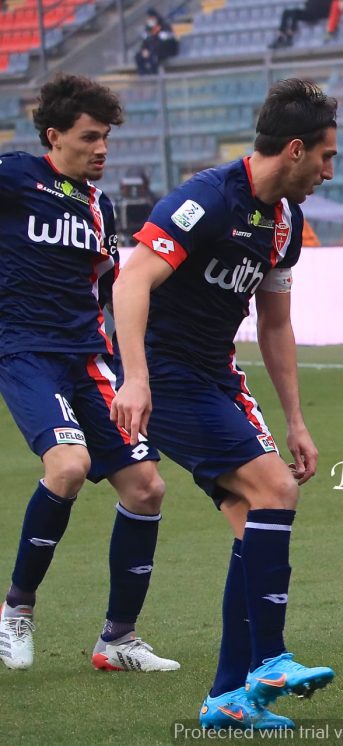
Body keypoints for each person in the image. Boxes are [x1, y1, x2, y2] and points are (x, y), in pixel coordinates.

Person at [110, 78, 336, 730]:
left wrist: (295, 419)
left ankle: (227, 699)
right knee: (273, 492)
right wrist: (135, 377)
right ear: (293, 149)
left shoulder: (285, 223)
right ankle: (269, 659)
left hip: (215, 378)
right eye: (325, 157)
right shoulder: (205, 199)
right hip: (166, 377)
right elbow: (132, 281)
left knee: (252, 521)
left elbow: (273, 326)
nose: (327, 171)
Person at [0, 74, 177, 672]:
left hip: (87, 359)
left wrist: (131, 371)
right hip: (25, 352)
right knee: (69, 465)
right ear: (54, 136)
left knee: (147, 487)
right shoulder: (16, 176)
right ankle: (17, 610)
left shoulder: (99, 207)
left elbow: (111, 291)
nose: (102, 149)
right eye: (90, 137)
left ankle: (117, 639)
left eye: (106, 138)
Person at [135, 8, 178, 76]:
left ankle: (154, 76)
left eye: (152, 18)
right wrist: (144, 50)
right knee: (138, 56)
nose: (150, 20)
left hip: (165, 51)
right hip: (152, 51)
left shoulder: (165, 27)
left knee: (154, 57)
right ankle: (143, 75)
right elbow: (145, 42)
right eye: (149, 18)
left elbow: (166, 43)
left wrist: (150, 51)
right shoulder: (148, 29)